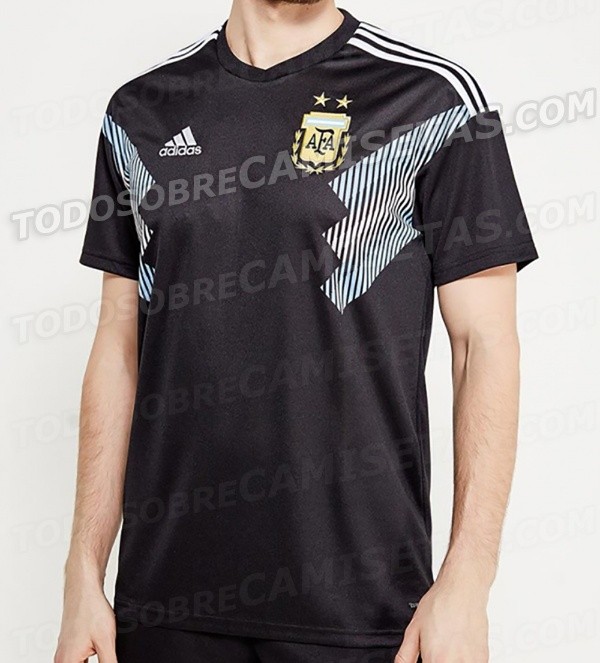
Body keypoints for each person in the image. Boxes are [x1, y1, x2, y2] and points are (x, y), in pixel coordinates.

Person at [54, 1, 538, 661]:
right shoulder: (140, 111)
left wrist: (469, 579)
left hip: (362, 610)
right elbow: (118, 348)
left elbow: (483, 346)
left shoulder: (434, 102)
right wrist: (82, 569)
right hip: (165, 606)